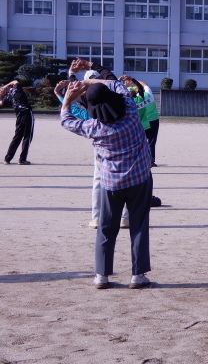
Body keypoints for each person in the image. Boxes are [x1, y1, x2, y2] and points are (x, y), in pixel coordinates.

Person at [60, 78, 153, 290]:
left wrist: (68, 99)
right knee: (139, 226)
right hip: (139, 178)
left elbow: (66, 121)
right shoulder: (130, 111)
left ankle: (101, 275)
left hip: (110, 182)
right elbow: (117, 84)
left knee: (105, 228)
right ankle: (138, 275)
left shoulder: (94, 127)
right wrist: (90, 81)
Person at [68, 58, 130, 229]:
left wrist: (72, 75)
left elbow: (68, 115)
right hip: (125, 137)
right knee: (127, 179)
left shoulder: (87, 100)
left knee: (98, 180)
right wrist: (91, 65)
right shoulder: (124, 101)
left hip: (101, 138)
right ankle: (124, 217)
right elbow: (110, 78)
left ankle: (97, 218)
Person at [1, 80, 35, 165]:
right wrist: (5, 86)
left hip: (19, 116)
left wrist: (1, 95)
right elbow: (15, 81)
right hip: (27, 113)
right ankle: (22, 159)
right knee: (27, 137)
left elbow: (1, 103)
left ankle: (7, 159)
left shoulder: (8, 97)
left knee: (17, 137)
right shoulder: (17, 89)